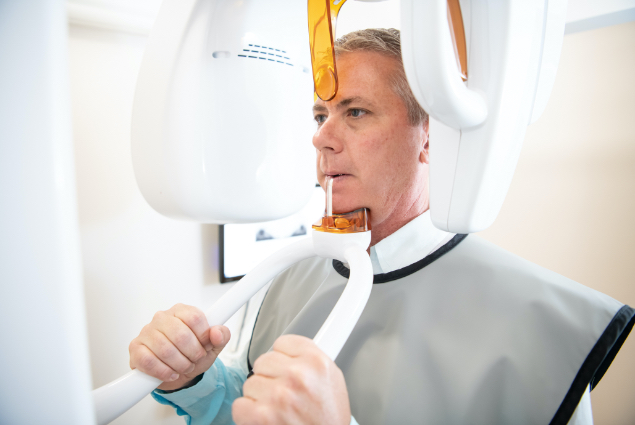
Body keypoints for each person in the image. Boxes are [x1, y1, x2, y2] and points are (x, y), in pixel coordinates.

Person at [129, 29, 634, 425]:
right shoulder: (285, 278)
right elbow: (240, 407)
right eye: (320, 114)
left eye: (356, 111)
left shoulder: (538, 324)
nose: (321, 138)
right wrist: (194, 378)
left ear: (432, 138)